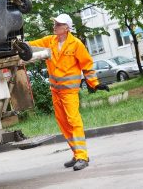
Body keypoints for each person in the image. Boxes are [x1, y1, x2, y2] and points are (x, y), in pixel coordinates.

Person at [29, 13, 109, 171]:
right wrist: (15, 44)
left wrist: (95, 83)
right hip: (56, 92)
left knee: (74, 121)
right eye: (55, 23)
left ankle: (82, 157)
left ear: (66, 28)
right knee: (64, 124)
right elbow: (30, 45)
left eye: (58, 24)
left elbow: (86, 65)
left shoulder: (76, 44)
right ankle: (76, 153)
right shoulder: (49, 41)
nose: (55, 26)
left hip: (69, 92)